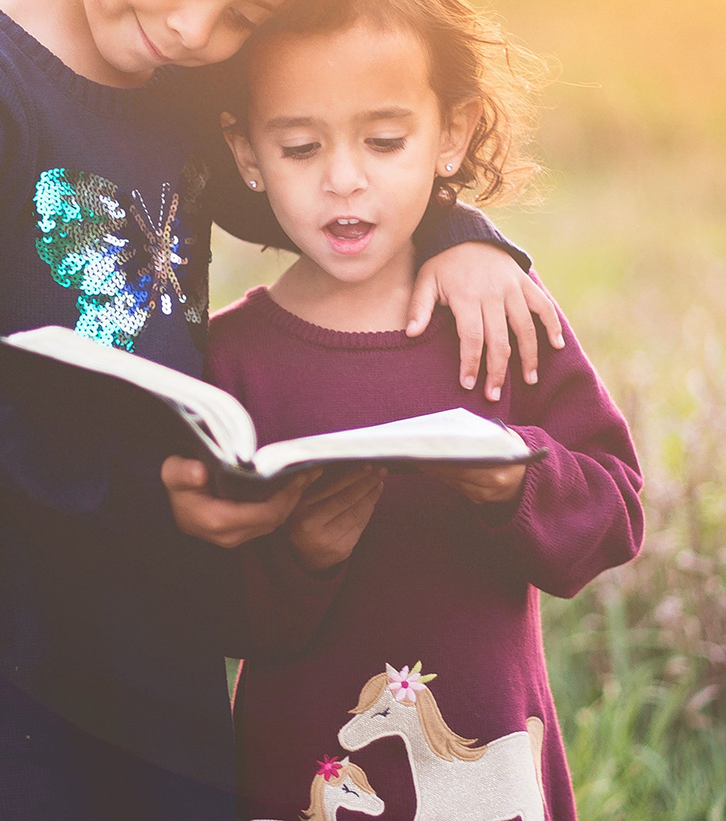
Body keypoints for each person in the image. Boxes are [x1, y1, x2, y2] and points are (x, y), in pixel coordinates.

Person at [0, 0, 563, 818]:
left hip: (153, 573)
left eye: (240, 16)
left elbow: (324, 202)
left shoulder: (180, 86)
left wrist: (461, 235)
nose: (193, 31)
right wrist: (141, 488)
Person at [208, 1, 645, 819]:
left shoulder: (499, 314)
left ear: (452, 131)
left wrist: (515, 479)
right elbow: (207, 611)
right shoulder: (230, 359)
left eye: (384, 140)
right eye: (301, 146)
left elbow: (615, 510)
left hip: (485, 767)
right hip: (302, 770)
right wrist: (298, 553)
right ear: (247, 152)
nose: (344, 178)